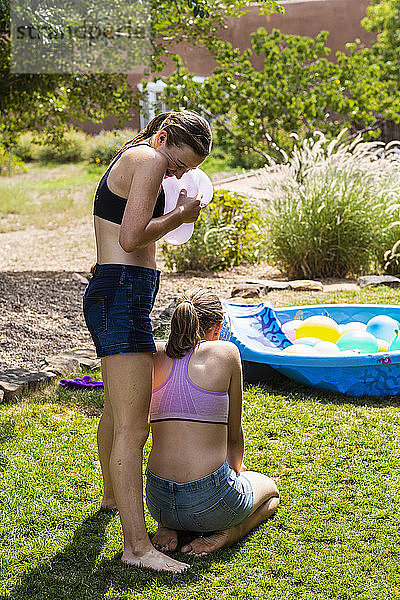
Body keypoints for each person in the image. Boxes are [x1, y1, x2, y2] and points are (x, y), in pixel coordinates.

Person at [83, 111, 212, 572]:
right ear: (162, 138)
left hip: (117, 291)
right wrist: (180, 213)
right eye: (179, 164)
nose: (177, 174)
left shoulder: (133, 157)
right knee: (134, 428)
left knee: (118, 411)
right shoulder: (150, 159)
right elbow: (132, 236)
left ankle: (111, 498)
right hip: (121, 292)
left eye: (184, 170)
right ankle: (137, 547)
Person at [146, 289, 280, 557]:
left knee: (180, 497)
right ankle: (228, 533)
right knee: (272, 493)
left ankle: (168, 527)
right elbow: (234, 431)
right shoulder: (226, 352)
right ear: (217, 328)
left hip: (158, 500)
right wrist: (235, 470)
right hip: (210, 502)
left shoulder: (155, 352)